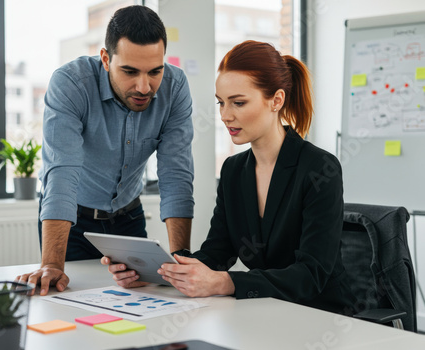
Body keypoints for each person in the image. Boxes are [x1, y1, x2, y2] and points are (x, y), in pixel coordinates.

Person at [104, 40, 356, 315]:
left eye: (238, 103)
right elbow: (217, 253)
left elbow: (311, 274)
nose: (225, 115)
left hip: (321, 315)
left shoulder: (319, 167)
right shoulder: (234, 170)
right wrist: (158, 273)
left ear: (277, 100)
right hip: (268, 311)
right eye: (221, 103)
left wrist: (225, 282)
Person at [17, 5, 194, 296]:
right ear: (105, 59)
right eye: (130, 71)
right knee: (66, 300)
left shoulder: (175, 88)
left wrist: (183, 260)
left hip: (128, 217)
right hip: (72, 219)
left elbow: (176, 174)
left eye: (155, 72)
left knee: (147, 299)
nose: (144, 86)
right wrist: (50, 264)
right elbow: (62, 174)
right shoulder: (71, 84)